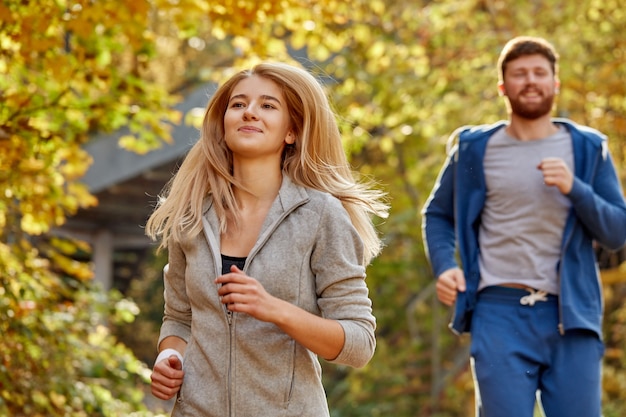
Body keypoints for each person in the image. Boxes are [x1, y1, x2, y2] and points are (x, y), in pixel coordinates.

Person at [144, 62, 388, 416]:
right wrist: (169, 355)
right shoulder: (193, 215)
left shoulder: (320, 215)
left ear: (291, 131)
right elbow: (179, 318)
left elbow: (359, 344)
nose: (250, 113)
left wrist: (275, 309)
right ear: (224, 123)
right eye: (239, 104)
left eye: (268, 106)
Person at [422, 36, 626, 417]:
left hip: (573, 314)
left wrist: (575, 188)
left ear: (554, 83)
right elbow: (438, 214)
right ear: (503, 87)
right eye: (519, 74)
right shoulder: (473, 148)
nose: (530, 81)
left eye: (539, 73)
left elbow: (617, 232)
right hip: (498, 313)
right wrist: (445, 266)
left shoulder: (587, 149)